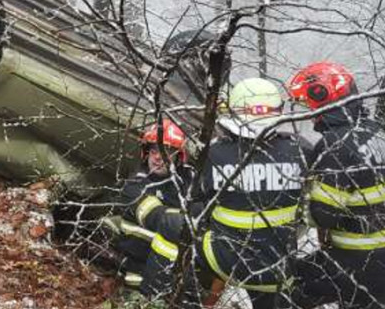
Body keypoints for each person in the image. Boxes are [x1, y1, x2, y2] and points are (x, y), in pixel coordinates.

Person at [137, 78, 306, 308]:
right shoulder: (301, 151)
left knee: (171, 224)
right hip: (279, 266)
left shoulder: (216, 154)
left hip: (226, 258)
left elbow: (199, 203)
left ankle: (158, 301)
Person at [287, 62, 385, 309]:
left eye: (308, 105)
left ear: (323, 98)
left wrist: (302, 198)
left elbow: (323, 216)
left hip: (364, 259)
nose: (308, 113)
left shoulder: (335, 146)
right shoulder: (373, 128)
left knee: (290, 286)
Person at [105, 120, 195, 293]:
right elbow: (159, 218)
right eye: (154, 150)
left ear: (178, 156)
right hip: (138, 262)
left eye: (165, 151)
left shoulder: (188, 179)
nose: (157, 157)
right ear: (146, 153)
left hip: (174, 262)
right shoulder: (136, 185)